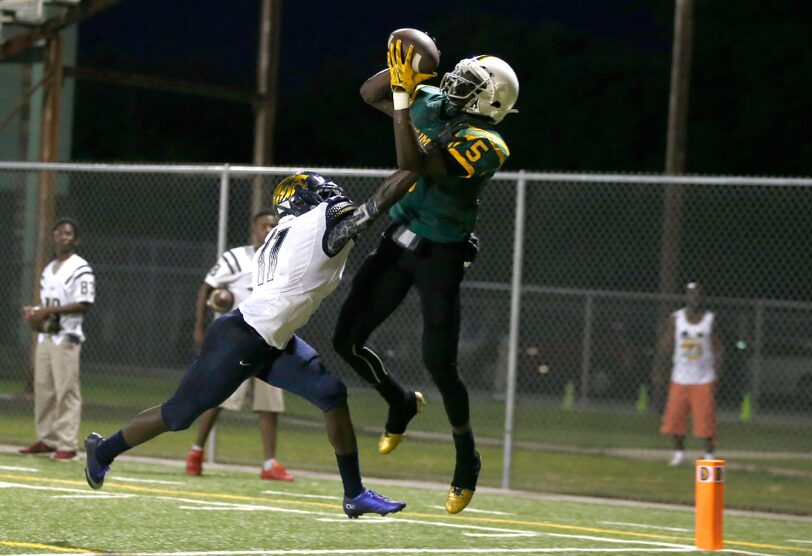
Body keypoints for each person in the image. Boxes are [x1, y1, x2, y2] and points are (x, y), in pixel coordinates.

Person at [85, 169, 419, 519]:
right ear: (304, 201)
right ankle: (103, 451)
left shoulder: (284, 232)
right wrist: (418, 165)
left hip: (271, 338)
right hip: (242, 339)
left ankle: (354, 494)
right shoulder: (319, 222)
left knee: (332, 394)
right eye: (322, 192)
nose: (332, 196)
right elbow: (379, 201)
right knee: (178, 414)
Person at [332, 41, 519, 514]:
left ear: (489, 101)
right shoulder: (435, 101)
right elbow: (368, 93)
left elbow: (414, 164)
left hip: (442, 254)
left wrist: (402, 98)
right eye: (459, 75)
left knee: (440, 364)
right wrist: (400, 68)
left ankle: (466, 458)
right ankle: (399, 402)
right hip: (402, 238)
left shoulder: (489, 144)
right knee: (346, 339)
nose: (454, 84)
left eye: (470, 84)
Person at [186, 210, 293, 482]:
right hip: (236, 340)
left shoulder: (285, 260)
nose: (269, 229)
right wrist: (201, 325)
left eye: (273, 225)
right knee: (218, 396)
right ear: (254, 229)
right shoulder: (236, 257)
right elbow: (208, 289)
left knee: (269, 403)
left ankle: (269, 463)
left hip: (270, 338)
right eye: (264, 225)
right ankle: (196, 452)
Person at [20, 218, 95, 461]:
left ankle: (67, 443)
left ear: (76, 239)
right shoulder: (49, 268)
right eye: (60, 233)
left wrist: (48, 312)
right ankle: (48, 438)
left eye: (69, 233)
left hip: (67, 335)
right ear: (53, 237)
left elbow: (84, 303)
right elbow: (48, 305)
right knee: (43, 389)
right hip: (46, 336)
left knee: (66, 390)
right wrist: (34, 312)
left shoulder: (80, 267)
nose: (64, 237)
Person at [651, 282, 724, 466]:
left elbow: (718, 348)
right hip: (680, 376)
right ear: (686, 296)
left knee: (705, 417)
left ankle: (708, 454)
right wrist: (659, 367)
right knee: (675, 417)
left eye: (698, 294)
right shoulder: (676, 318)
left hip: (703, 377)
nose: (695, 298)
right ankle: (679, 453)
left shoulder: (709, 319)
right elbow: (666, 344)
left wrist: (718, 372)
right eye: (691, 294)